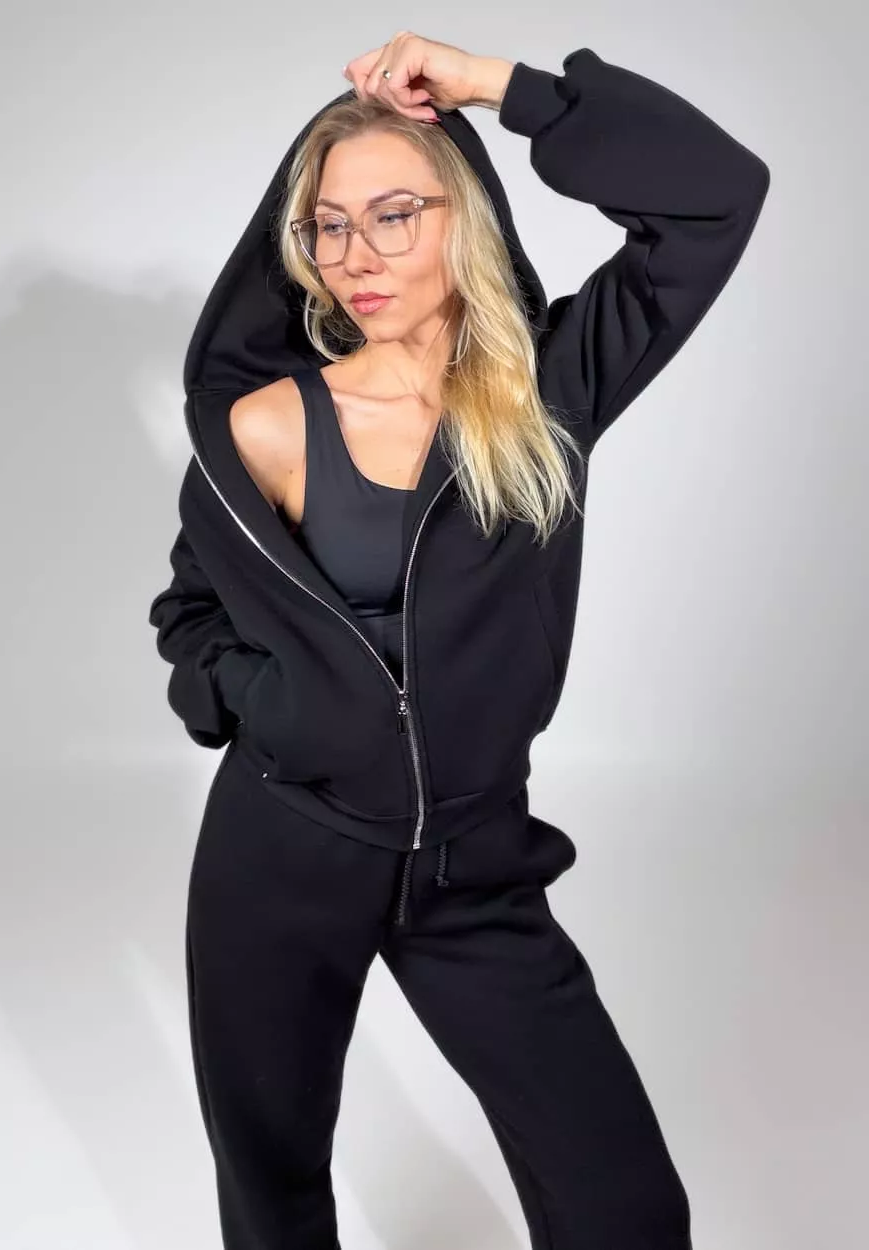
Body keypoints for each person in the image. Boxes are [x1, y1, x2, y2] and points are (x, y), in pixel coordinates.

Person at [148, 31, 770, 1250]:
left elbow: (716, 195)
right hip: (282, 851)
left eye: (393, 215)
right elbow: (191, 614)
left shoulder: (548, 395)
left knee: (623, 1206)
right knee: (273, 1190)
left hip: (472, 861)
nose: (356, 256)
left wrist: (496, 87)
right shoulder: (266, 425)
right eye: (328, 227)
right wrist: (275, 707)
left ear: (462, 217)